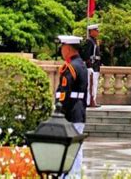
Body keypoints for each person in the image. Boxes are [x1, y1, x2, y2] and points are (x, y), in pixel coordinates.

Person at [55, 35, 88, 177]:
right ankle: (75, 175)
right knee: (76, 148)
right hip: (79, 111)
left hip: (70, 112)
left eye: (62, 47)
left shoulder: (70, 67)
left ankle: (67, 176)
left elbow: (64, 94)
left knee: (67, 148)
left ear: (68, 48)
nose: (61, 50)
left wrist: (58, 112)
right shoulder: (82, 65)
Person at [82, 23, 101, 108]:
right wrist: (89, 66)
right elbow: (86, 55)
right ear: (91, 31)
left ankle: (93, 100)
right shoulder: (89, 41)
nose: (98, 32)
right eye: (96, 30)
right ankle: (89, 101)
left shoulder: (94, 41)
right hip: (91, 66)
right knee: (90, 85)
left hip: (96, 66)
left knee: (94, 84)